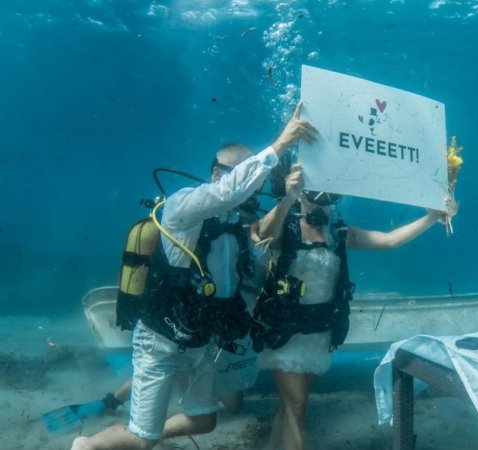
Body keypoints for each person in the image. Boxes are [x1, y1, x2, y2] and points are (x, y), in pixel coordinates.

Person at [72, 102, 317, 450]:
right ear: (218, 174)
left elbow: (250, 271)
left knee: (204, 420)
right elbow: (228, 192)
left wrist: (291, 196)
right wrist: (279, 144)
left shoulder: (233, 224)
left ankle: (131, 431)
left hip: (200, 341)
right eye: (242, 172)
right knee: (143, 440)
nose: (254, 185)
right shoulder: (184, 204)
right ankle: (88, 445)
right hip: (160, 342)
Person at [250, 163, 457, 450]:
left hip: (319, 333)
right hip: (283, 334)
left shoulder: (337, 230)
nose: (323, 195)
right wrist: (288, 198)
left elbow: (387, 240)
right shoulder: (284, 223)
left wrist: (432, 217)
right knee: (296, 408)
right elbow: (262, 236)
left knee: (294, 408)